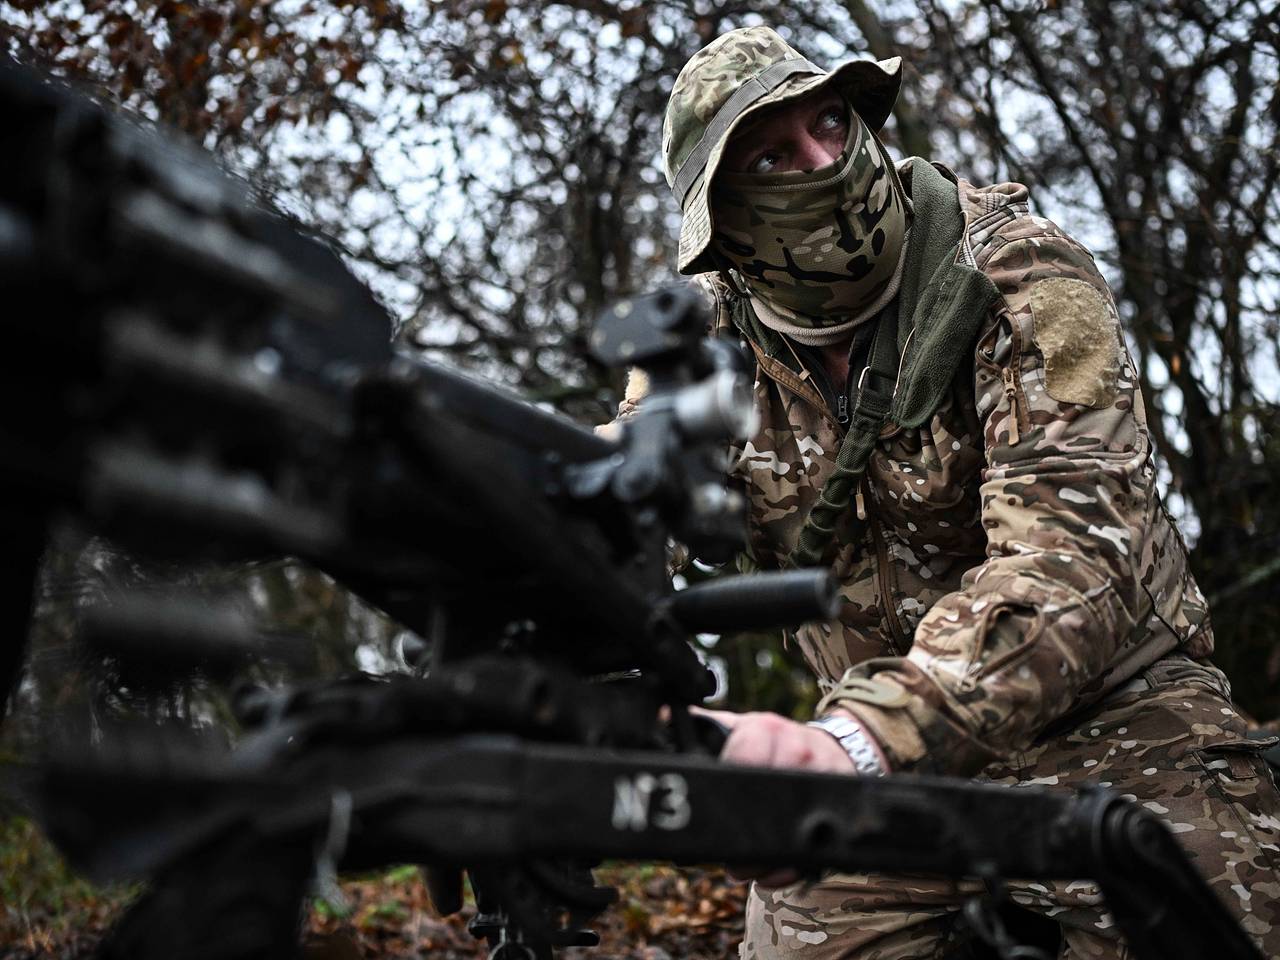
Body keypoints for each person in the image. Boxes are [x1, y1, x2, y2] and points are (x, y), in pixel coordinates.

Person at [615, 24, 1280, 959]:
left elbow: (1075, 560)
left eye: (834, 124)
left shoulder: (1017, 272)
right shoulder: (701, 351)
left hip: (1117, 720)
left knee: (1221, 922)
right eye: (773, 153)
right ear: (722, 222)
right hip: (873, 773)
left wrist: (854, 741)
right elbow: (613, 514)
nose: (826, 163)